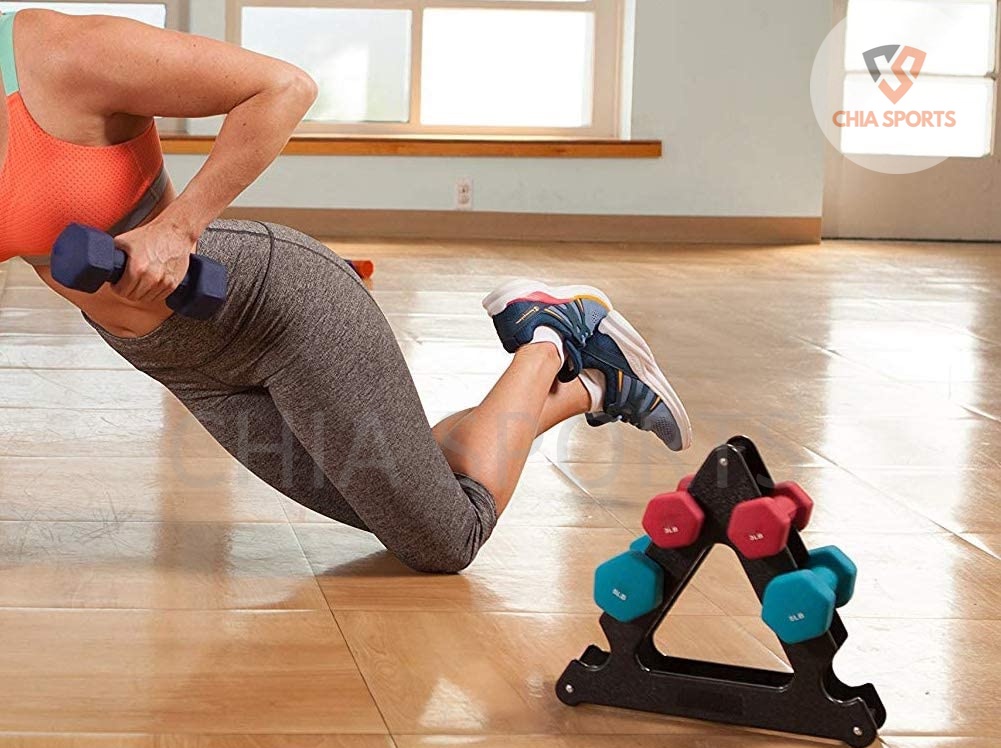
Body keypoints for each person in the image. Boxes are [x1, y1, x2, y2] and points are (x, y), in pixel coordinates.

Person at [0, 8, 692, 573]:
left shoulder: (59, 53)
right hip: (182, 363)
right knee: (411, 494)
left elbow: (282, 87)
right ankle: (596, 381)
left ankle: (551, 336)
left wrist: (177, 228)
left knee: (445, 540)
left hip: (267, 305)